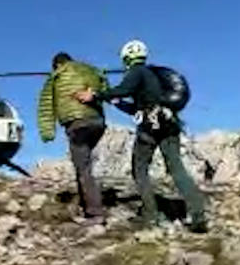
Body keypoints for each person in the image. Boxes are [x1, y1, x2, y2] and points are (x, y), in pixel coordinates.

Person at [75, 39, 208, 233]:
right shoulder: (152, 79)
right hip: (169, 124)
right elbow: (134, 106)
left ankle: (151, 216)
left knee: (140, 170)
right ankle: (198, 215)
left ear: (126, 58)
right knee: (176, 168)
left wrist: (96, 96)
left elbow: (123, 90)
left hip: (149, 129)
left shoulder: (137, 72)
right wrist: (117, 102)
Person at [38, 51, 108, 220]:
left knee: (82, 167)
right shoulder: (92, 70)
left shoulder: (55, 76)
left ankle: (94, 212)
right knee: (84, 162)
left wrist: (47, 132)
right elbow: (105, 89)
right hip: (97, 123)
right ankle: (86, 203)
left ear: (56, 65)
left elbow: (46, 106)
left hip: (77, 124)